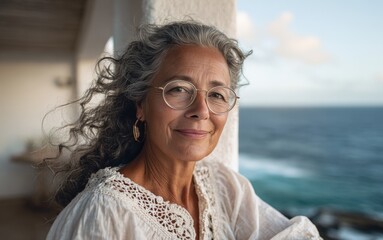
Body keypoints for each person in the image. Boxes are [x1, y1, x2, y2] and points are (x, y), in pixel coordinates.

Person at [46, 21, 322, 239]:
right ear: (140, 105)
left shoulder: (222, 187)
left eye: (217, 95)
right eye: (179, 89)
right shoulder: (103, 213)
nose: (201, 110)